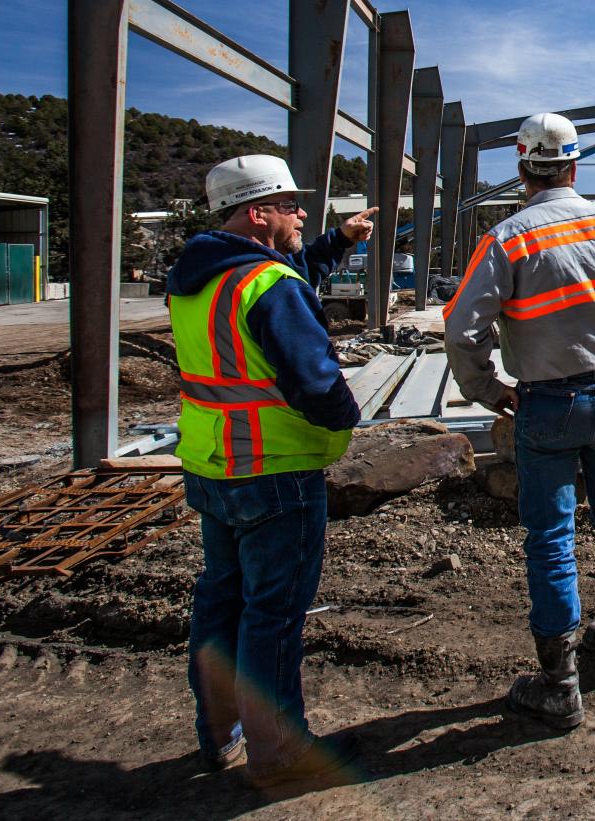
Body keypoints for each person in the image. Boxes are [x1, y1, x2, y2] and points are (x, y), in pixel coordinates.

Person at [443, 113, 595, 730]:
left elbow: (461, 330)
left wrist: (490, 391)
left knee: (550, 536)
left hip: (545, 402)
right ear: (573, 166)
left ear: (521, 169)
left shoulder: (507, 240)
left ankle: (559, 683)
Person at [166, 154, 378, 787]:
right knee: (273, 615)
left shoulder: (198, 274)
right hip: (276, 470)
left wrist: (337, 242)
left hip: (213, 465)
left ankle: (220, 734)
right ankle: (279, 746)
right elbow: (315, 379)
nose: (302, 212)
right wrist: (345, 420)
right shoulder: (268, 287)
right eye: (291, 205)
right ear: (258, 213)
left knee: (221, 601)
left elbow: (280, 279)